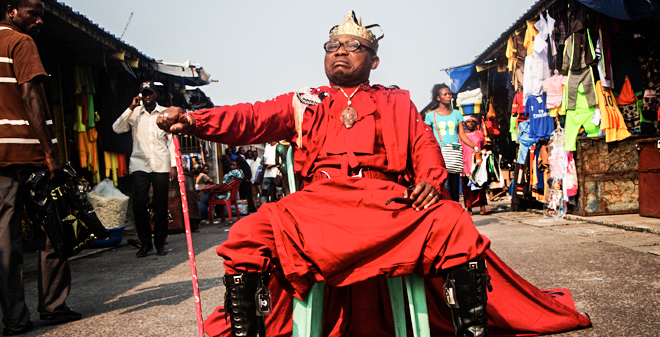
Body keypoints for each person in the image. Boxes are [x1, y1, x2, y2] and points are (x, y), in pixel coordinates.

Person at [157, 11, 591, 337]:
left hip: (386, 206)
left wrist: (430, 179)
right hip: (317, 207)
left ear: (374, 60)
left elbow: (425, 147)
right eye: (332, 48)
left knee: (454, 222)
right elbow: (249, 118)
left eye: (352, 47)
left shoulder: (397, 101)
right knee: (248, 232)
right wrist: (194, 120)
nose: (339, 52)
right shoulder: (303, 101)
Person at [0, 0, 81, 334]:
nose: (38, 21)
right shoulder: (21, 42)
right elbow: (31, 94)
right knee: (54, 228)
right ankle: (52, 305)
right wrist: (50, 154)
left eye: (42, 15)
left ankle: (15, 319)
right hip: (30, 154)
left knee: (5, 238)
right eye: (33, 13)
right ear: (11, 11)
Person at [112, 82, 176, 258]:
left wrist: (173, 165)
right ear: (141, 95)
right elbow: (117, 128)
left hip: (161, 163)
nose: (147, 97)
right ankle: (145, 243)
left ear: (156, 94)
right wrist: (131, 107)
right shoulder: (134, 114)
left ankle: (160, 242)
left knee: (160, 205)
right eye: (144, 94)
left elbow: (171, 141)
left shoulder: (165, 113)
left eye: (150, 93)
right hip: (140, 163)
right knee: (139, 203)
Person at [424, 83, 479, 202]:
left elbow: (462, 135)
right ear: (438, 98)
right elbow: (427, 136)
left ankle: (455, 210)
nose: (449, 96)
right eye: (445, 94)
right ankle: (446, 211)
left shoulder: (457, 114)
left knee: (454, 186)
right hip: (439, 153)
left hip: (454, 153)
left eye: (450, 94)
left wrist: (474, 147)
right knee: (444, 185)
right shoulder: (430, 116)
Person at [460, 116, 491, 215]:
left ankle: (482, 207)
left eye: (472, 122)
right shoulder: (460, 135)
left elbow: (484, 146)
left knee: (480, 186)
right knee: (467, 187)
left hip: (478, 163)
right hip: (466, 163)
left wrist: (484, 152)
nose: (470, 123)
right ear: (464, 124)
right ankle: (469, 208)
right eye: (468, 122)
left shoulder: (479, 134)